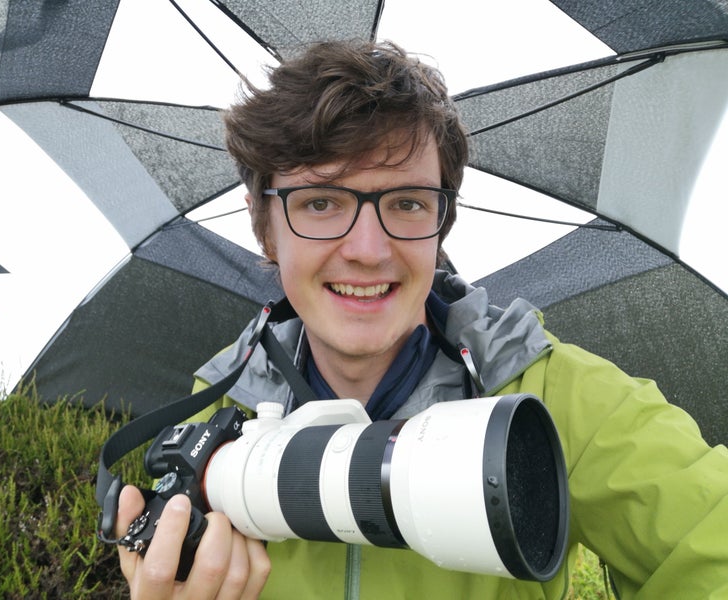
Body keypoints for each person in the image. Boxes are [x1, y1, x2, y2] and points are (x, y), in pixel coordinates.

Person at [115, 39, 728, 599]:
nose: (368, 249)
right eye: (321, 202)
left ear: (443, 222)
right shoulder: (217, 415)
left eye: (406, 203)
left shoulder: (552, 396)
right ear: (264, 225)